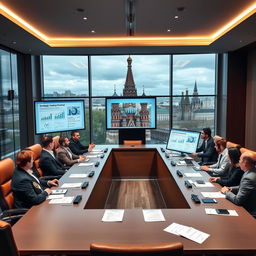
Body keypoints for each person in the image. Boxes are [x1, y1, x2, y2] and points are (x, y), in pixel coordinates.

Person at [221, 151, 256, 217]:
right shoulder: (251, 171)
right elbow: (243, 186)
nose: (239, 161)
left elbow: (238, 200)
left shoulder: (249, 178)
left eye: (240, 159)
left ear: (245, 163)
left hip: (249, 212)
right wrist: (232, 188)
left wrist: (226, 191)